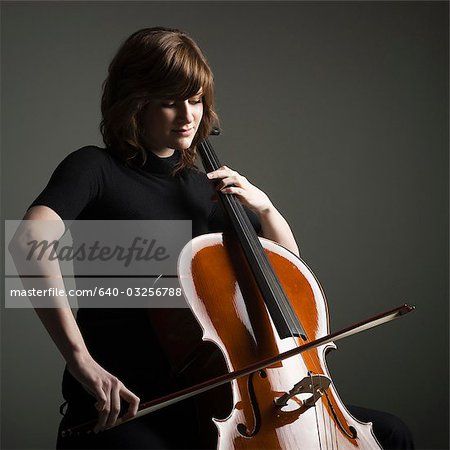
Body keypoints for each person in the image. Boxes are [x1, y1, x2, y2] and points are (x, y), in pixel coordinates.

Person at [9, 27, 414, 449]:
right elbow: (28, 240)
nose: (187, 116)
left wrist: (267, 210)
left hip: (219, 405)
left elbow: (286, 287)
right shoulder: (95, 170)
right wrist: (79, 358)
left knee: (392, 434)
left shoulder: (206, 188)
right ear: (134, 102)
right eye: (169, 102)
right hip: (125, 407)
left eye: (196, 100)